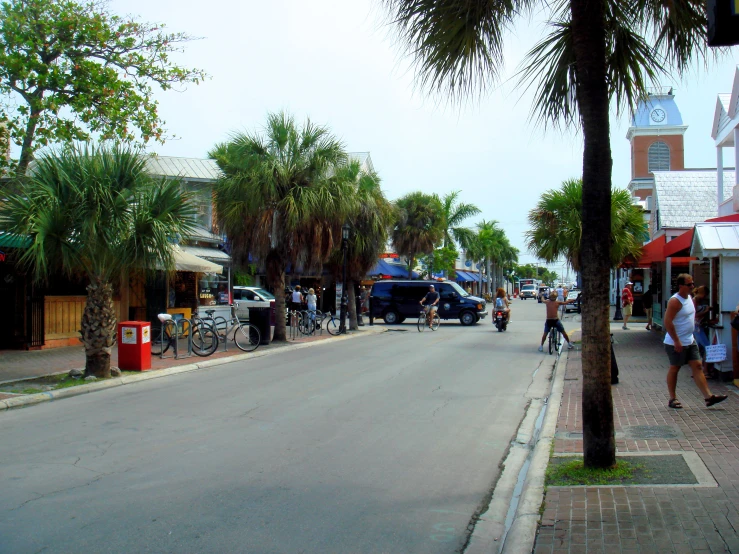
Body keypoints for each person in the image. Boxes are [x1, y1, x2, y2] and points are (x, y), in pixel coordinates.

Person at [663, 273, 727, 409]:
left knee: (698, 365)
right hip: (675, 341)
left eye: (693, 283)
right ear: (681, 286)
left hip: (689, 340)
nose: (692, 286)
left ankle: (708, 397)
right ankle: (672, 398)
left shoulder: (690, 298)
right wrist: (676, 341)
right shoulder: (675, 301)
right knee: (675, 367)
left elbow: (692, 316)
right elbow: (667, 322)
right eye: (689, 284)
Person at [692, 285, 712, 379]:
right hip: (697, 327)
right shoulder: (695, 300)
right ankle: (705, 370)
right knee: (708, 347)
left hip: (697, 327)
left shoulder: (696, 300)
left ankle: (697, 370)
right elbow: (695, 315)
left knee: (699, 350)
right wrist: (706, 310)